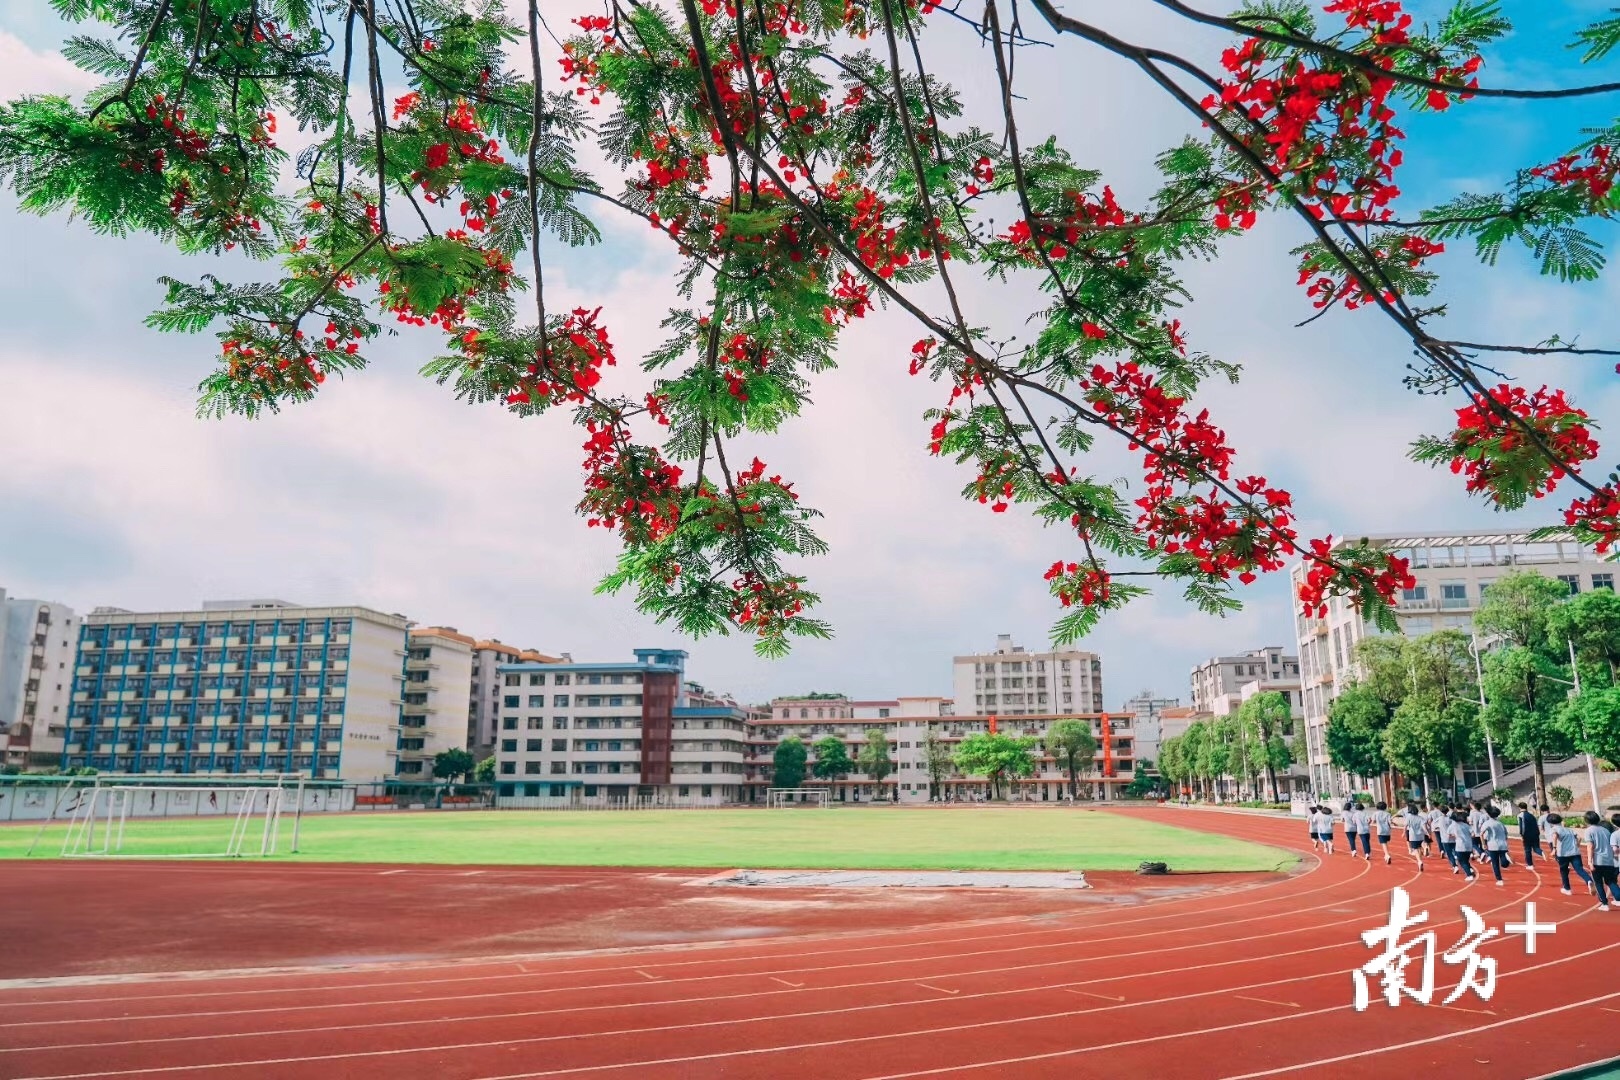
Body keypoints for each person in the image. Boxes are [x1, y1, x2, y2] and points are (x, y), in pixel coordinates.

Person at [1548, 812, 1597, 896]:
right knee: (1579, 869)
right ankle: (1589, 880)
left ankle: (1567, 889)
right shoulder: (1568, 830)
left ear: (1550, 822)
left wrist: (1554, 849)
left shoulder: (1554, 829)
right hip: (1575, 852)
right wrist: (1577, 844)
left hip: (1563, 854)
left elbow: (1555, 836)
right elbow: (1579, 837)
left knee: (1564, 871)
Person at [1584, 810, 1618, 912]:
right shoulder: (1605, 830)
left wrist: (1590, 861)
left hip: (1597, 861)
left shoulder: (1589, 831)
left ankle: (1604, 903)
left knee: (1598, 883)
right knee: (1611, 881)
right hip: (1609, 860)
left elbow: (1590, 846)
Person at [1480, 805, 1511, 886]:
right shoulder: (1500, 823)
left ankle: (1499, 880)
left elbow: (1481, 834)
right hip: (1503, 845)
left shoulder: (1487, 823)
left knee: (1495, 863)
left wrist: (1483, 844)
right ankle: (1505, 860)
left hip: (1492, 845)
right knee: (1504, 863)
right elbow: (1506, 834)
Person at [1449, 809, 1479, 882]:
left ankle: (1469, 875)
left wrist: (1456, 836)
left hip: (1460, 845)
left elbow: (1449, 835)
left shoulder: (1453, 826)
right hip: (1469, 845)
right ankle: (1470, 869)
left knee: (1461, 861)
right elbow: (1473, 834)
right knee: (1466, 860)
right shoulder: (1466, 825)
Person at [1403, 802, 1428, 872]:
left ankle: (1419, 861)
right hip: (1420, 835)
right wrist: (1427, 833)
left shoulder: (1409, 817)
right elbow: (1424, 827)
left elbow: (1405, 826)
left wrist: (1403, 833)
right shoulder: (1420, 818)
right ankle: (1423, 852)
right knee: (1420, 848)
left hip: (1413, 836)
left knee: (1415, 849)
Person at [1518, 801, 1542, 867]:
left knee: (1527, 850)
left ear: (1519, 808)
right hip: (1536, 833)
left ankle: (1530, 865)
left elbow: (1522, 826)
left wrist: (1522, 835)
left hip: (1527, 835)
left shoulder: (1520, 815)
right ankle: (1542, 853)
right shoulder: (1531, 815)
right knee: (1536, 848)